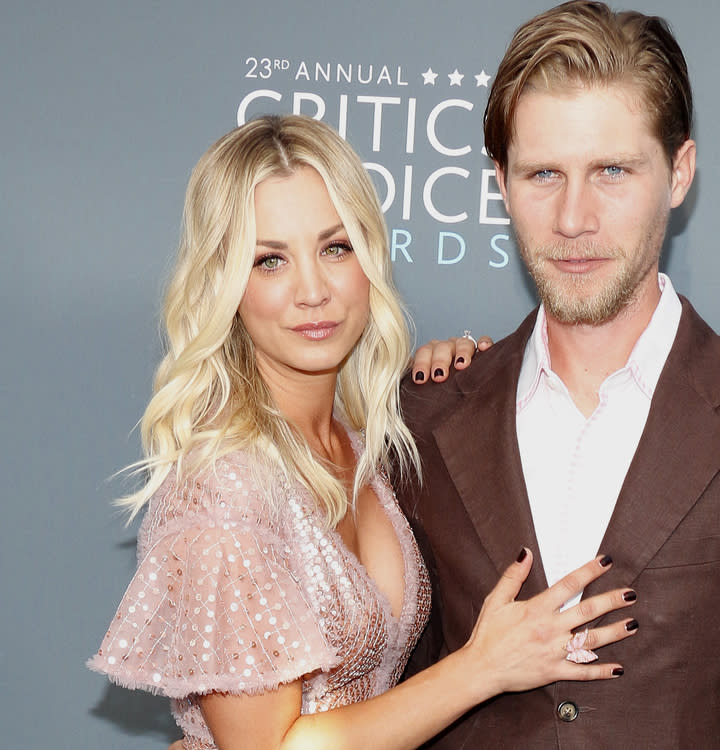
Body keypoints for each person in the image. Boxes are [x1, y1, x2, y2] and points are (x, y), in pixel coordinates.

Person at [398, 2, 720, 747]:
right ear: (500, 181)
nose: (572, 218)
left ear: (679, 173)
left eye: (612, 171)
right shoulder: (427, 412)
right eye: (543, 174)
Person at [88, 114, 639, 750]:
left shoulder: (363, 444)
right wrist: (484, 668)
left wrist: (463, 380)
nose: (314, 291)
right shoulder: (225, 490)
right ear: (224, 283)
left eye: (334, 247)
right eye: (270, 261)